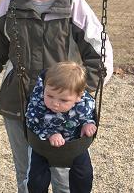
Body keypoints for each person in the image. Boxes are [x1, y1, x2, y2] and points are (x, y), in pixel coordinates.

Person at [0, 0, 113, 193]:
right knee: (27, 172)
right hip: (19, 101)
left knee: (62, 174)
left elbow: (99, 53)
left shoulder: (72, 3)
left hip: (62, 106)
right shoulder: (11, 5)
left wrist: (78, 92)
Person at [26, 61, 97, 193]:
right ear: (45, 88)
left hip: (74, 145)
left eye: (63, 100)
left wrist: (88, 124)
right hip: (43, 146)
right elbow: (32, 123)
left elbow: (88, 116)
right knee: (36, 181)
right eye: (50, 96)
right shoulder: (38, 101)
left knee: (84, 175)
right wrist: (50, 134)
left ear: (78, 96)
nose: (55, 103)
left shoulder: (85, 103)